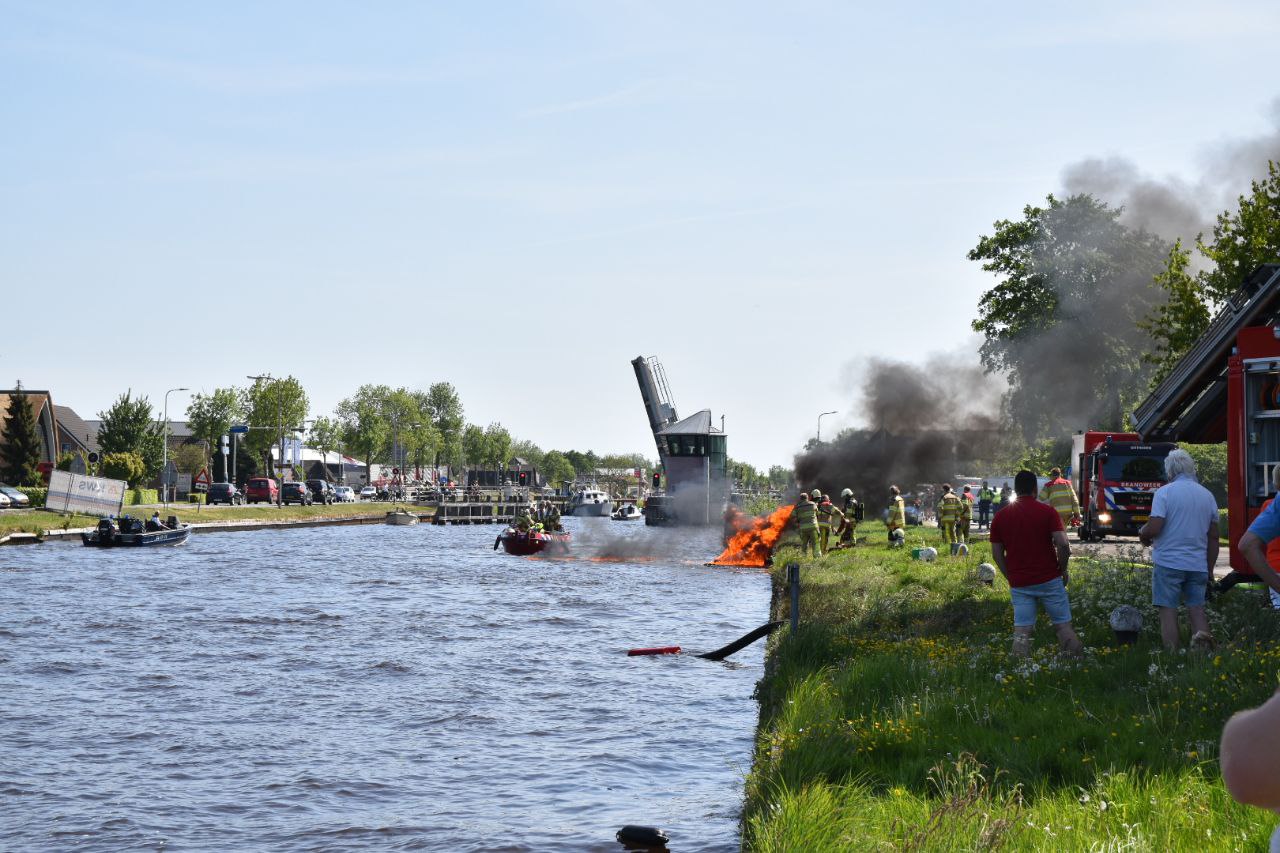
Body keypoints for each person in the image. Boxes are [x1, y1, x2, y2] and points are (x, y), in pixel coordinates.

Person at [989, 470, 1083, 658]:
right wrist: (1062, 570)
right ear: (1035, 488)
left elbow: (997, 554)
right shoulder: (1048, 512)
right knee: (1062, 626)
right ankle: (1079, 665)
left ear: (1015, 489)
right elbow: (1063, 544)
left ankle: (1018, 672)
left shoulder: (1000, 517)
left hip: (1020, 583)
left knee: (1022, 631)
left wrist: (1010, 575)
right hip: (1049, 579)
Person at [1137, 449, 1221, 652]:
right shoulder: (1207, 495)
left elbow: (1155, 527)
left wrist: (1143, 533)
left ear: (1170, 471)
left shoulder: (1164, 493)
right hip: (1197, 564)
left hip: (1168, 562)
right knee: (1197, 610)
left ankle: (1172, 656)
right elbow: (1214, 537)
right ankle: (1204, 655)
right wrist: (1209, 569)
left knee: (1168, 610)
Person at [937, 484, 964, 556]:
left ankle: (946, 544)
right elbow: (961, 507)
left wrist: (941, 515)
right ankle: (954, 545)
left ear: (944, 490)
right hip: (953, 518)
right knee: (952, 532)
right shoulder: (955, 497)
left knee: (945, 531)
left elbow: (939, 507)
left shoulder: (944, 497)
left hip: (945, 518)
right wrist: (957, 515)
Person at [794, 490, 820, 557]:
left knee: (804, 544)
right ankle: (817, 557)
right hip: (813, 526)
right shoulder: (812, 504)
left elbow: (793, 516)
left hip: (803, 528)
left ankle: (803, 557)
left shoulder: (797, 506)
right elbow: (817, 513)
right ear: (807, 498)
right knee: (815, 543)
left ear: (800, 499)